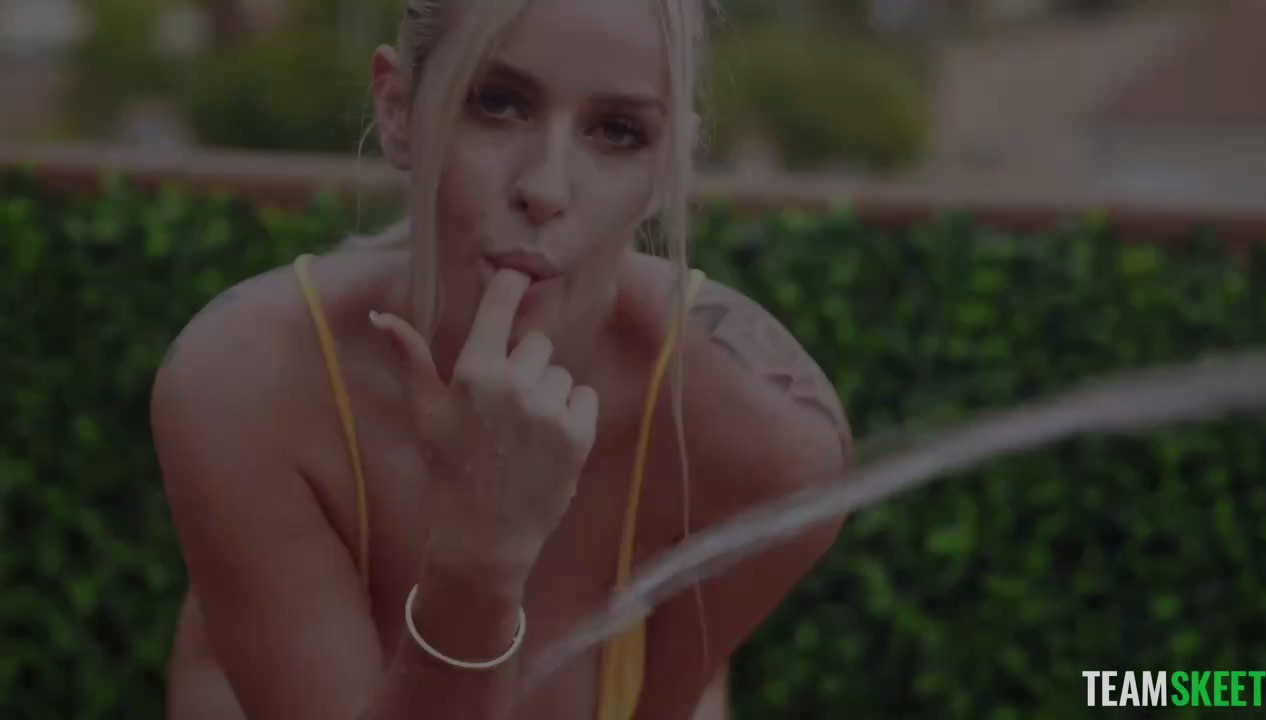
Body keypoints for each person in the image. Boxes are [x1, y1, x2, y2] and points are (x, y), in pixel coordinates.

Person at [151, 0, 853, 718]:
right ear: (398, 111)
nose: (545, 188)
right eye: (496, 102)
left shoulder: (768, 438)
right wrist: (480, 553)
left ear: (669, 165)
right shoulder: (246, 386)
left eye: (618, 131)